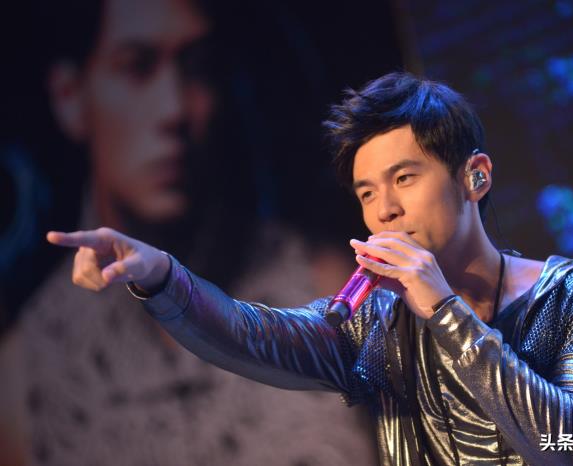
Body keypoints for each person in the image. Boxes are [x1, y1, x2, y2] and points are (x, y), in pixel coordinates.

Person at [48, 72, 573, 465]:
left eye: (404, 178)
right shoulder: (375, 322)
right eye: (366, 193)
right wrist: (158, 273)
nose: (384, 210)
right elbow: (248, 334)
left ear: (475, 176)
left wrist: (444, 311)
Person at [0, 0, 377, 464]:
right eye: (137, 67)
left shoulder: (329, 289)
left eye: (198, 67)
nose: (173, 108)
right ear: (70, 95)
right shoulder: (24, 378)